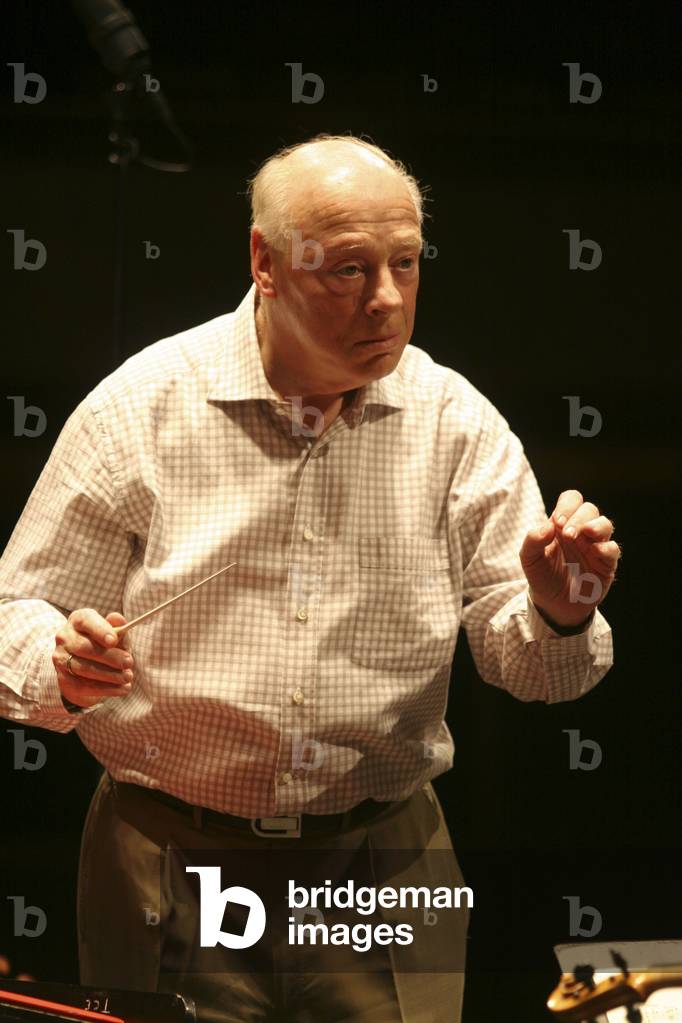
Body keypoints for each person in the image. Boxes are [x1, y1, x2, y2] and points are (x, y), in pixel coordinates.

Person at [0, 134, 618, 1022]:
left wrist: (560, 611)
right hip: (171, 852)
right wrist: (56, 660)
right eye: (350, 271)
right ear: (267, 262)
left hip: (381, 858)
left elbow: (529, 666)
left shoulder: (454, 422)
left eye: (406, 265)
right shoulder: (144, 405)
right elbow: (15, 612)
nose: (388, 301)